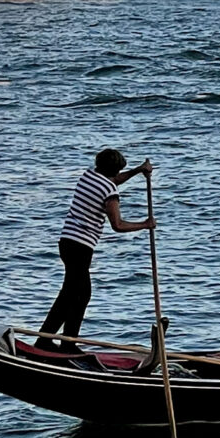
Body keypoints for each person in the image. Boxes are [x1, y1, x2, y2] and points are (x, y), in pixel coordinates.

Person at [37, 147, 153, 347]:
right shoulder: (110, 191)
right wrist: (145, 224)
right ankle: (58, 342)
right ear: (114, 170)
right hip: (81, 245)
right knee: (78, 294)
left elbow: (113, 180)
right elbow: (118, 225)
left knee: (73, 293)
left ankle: (52, 339)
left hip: (67, 242)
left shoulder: (88, 176)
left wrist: (137, 171)